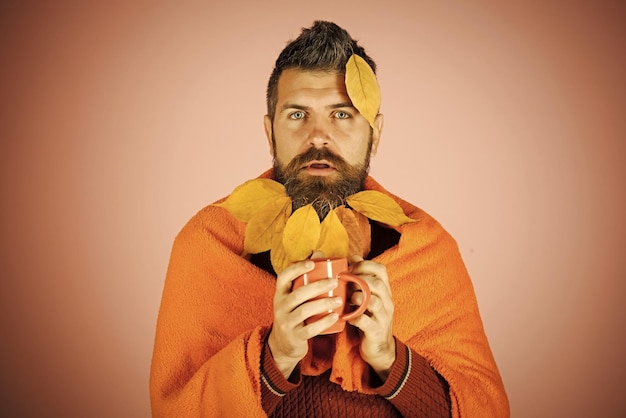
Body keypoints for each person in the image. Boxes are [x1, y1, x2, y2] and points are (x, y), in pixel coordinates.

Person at [149, 21, 509, 417]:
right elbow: (176, 410)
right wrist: (275, 358)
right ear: (270, 133)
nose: (318, 136)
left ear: (374, 134)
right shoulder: (210, 242)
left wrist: (392, 360)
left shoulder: (424, 246)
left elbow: (485, 409)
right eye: (298, 114)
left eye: (342, 114)